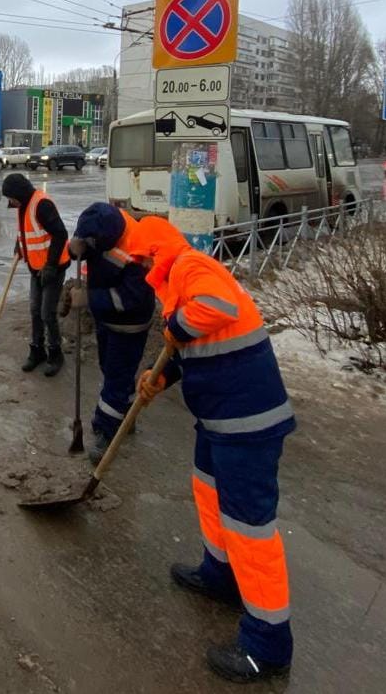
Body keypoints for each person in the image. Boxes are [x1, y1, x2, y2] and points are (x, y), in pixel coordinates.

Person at [135, 216, 295, 684]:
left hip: (248, 423)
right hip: (218, 419)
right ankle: (219, 574)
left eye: (145, 259)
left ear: (156, 252)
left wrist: (175, 330)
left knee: (250, 528)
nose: (143, 267)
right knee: (206, 490)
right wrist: (160, 374)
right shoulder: (176, 278)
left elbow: (216, 307)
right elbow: (195, 347)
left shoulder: (190, 266)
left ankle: (268, 644)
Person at [65, 202, 155, 464]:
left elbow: (131, 299)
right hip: (106, 319)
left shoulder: (137, 249)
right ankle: (127, 414)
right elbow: (85, 245)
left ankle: (106, 431)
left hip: (130, 323)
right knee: (111, 369)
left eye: (93, 242)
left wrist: (90, 299)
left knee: (115, 376)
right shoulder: (100, 223)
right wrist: (75, 248)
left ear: (108, 237)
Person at [2, 173, 70, 377]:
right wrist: (19, 244)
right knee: (34, 310)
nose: (10, 202)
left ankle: (56, 354)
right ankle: (37, 351)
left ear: (19, 193)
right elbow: (26, 230)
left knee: (47, 313)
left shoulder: (42, 204)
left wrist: (50, 266)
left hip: (53, 268)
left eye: (10, 197)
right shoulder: (22, 205)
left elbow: (60, 234)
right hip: (36, 268)